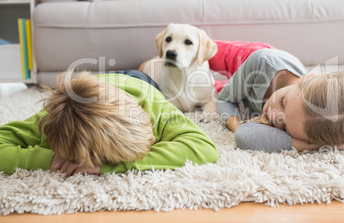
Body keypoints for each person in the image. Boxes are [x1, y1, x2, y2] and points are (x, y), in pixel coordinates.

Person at [0, 70, 219, 176]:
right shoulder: (50, 123)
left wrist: (114, 165)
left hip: (139, 82)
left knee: (152, 79)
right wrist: (50, 159)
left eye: (147, 126)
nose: (155, 139)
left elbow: (205, 148)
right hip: (98, 89)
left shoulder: (153, 107)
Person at [209, 40, 344, 153]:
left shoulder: (309, 119)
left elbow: (245, 137)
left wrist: (325, 144)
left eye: (286, 128)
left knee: (206, 91)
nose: (273, 117)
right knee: (202, 49)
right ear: (308, 78)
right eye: (283, 102)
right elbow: (226, 99)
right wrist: (238, 126)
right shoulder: (262, 61)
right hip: (252, 62)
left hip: (246, 97)